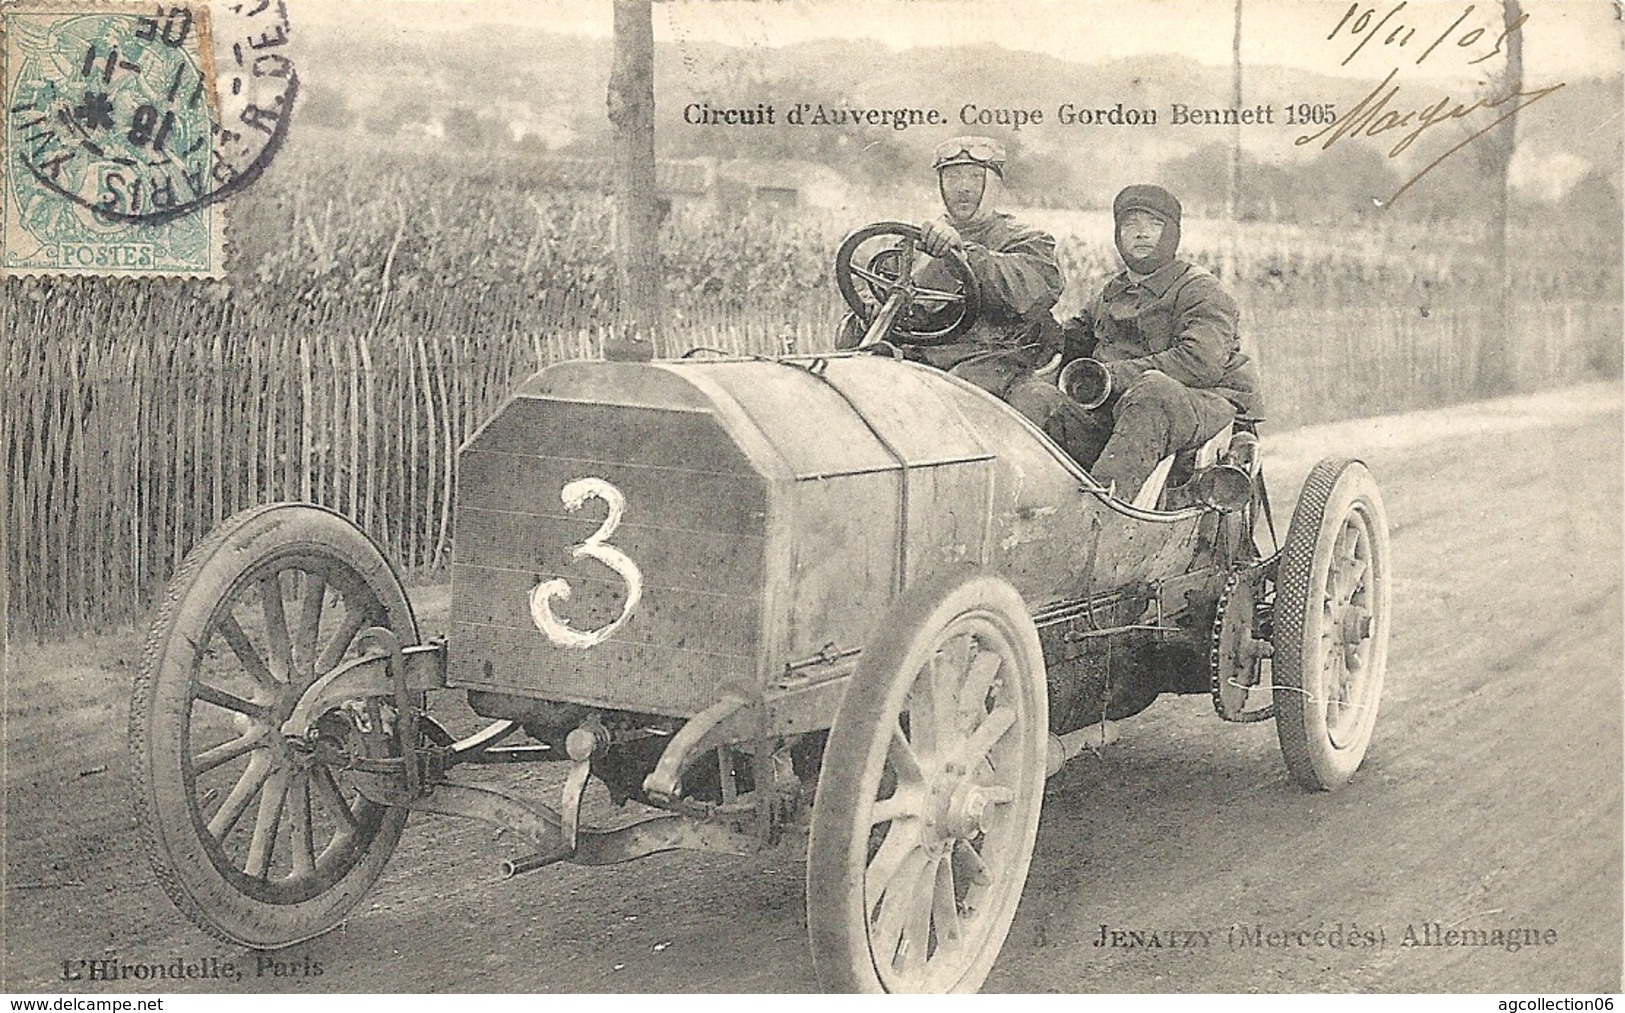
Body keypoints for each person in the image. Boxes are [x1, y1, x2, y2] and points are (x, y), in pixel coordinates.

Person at [851, 136, 1075, 429]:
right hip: (923, 355)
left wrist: (964, 255)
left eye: (975, 176)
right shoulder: (916, 241)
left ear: (994, 185)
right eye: (953, 176)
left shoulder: (1028, 240)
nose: (964, 187)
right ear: (941, 185)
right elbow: (881, 283)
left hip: (996, 360)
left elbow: (1027, 291)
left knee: (961, 393)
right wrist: (871, 304)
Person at [1055, 184, 1259, 498]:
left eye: (1154, 224)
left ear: (1172, 233)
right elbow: (1069, 341)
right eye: (1130, 224)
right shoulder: (1111, 292)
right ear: (1118, 234)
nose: (1141, 233)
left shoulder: (1199, 289)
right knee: (1034, 396)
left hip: (1197, 403)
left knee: (1152, 389)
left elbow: (1200, 362)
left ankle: (1097, 517)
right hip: (1122, 410)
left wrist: (1112, 376)